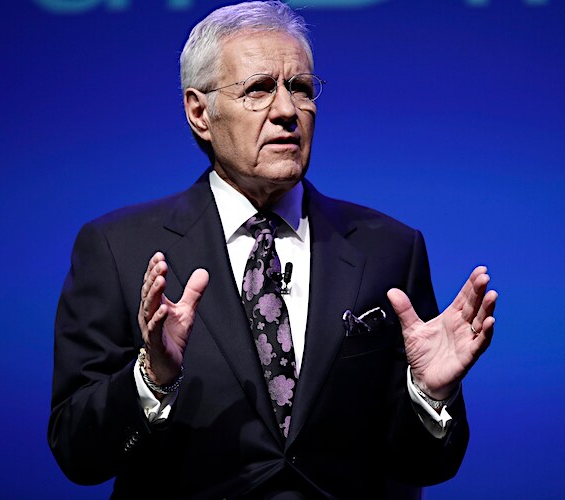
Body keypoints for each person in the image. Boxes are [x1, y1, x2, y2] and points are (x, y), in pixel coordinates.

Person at [48, 1, 498, 498]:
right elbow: (76, 450)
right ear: (200, 112)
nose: (286, 111)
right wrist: (150, 380)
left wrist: (429, 395)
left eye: (301, 88)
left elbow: (424, 464)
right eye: (259, 89)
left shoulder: (390, 248)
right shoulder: (118, 249)